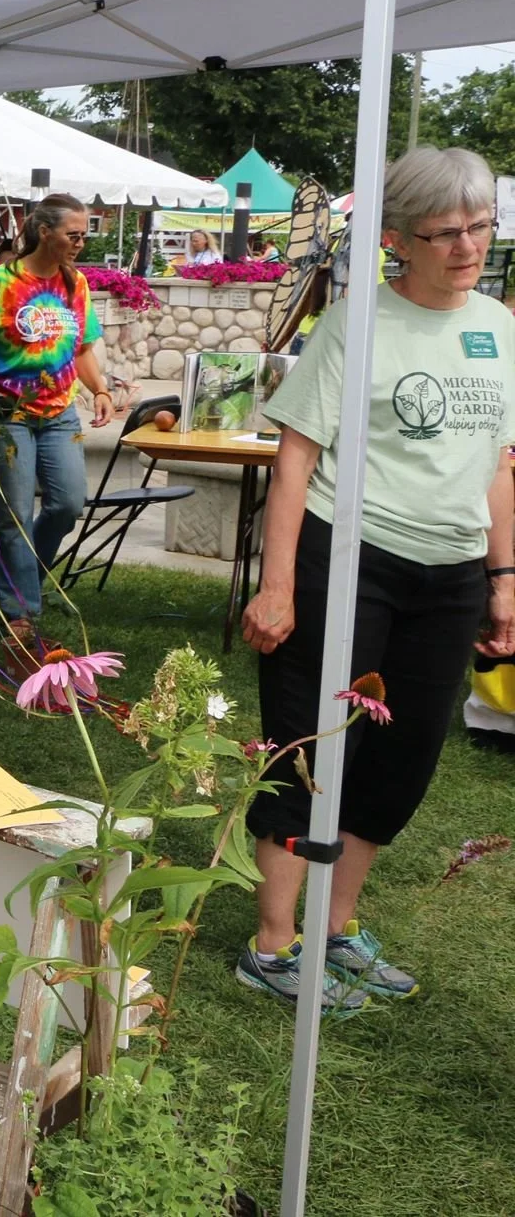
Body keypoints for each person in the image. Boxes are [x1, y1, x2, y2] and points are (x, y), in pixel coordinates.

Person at [238, 146, 515, 1013]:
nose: (466, 246)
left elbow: (498, 464)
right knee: (314, 747)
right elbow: (296, 457)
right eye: (445, 232)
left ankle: (336, 926)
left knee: (402, 757)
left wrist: (503, 580)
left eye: (480, 226)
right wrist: (277, 585)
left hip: (452, 573)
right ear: (397, 238)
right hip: (349, 559)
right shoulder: (358, 322)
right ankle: (274, 943)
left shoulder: (501, 325)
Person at [0, 193, 116, 640]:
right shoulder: (0, 283)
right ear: (45, 232)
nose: (79, 244)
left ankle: (22, 573)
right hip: (2, 411)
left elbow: (82, 347)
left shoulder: (76, 285)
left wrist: (101, 389)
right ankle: (21, 613)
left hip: (58, 413)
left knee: (68, 503)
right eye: (73, 235)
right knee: (13, 513)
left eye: (84, 236)